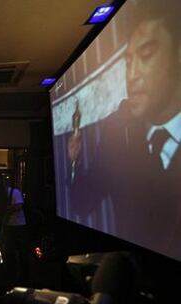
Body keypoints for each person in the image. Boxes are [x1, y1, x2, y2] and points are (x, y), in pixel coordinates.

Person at [67, 0, 181, 258]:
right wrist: (73, 162)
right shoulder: (119, 136)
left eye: (147, 54)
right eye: (128, 62)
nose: (132, 75)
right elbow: (81, 204)